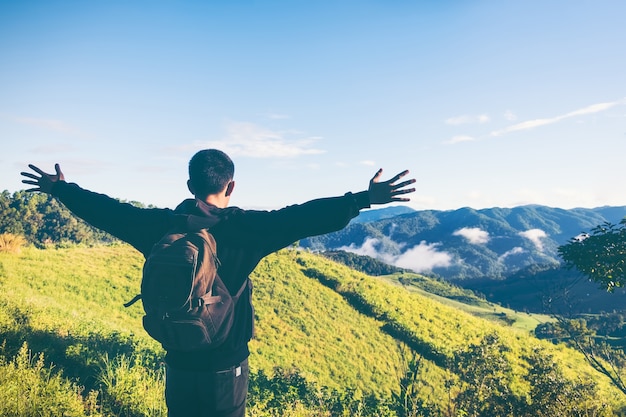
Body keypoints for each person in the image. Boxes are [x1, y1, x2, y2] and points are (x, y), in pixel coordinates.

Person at [21, 149, 416, 417]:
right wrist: (362, 199)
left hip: (177, 359)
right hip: (225, 370)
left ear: (189, 185)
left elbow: (108, 212)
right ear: (230, 187)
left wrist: (61, 190)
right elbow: (302, 216)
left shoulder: (160, 227)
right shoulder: (246, 231)